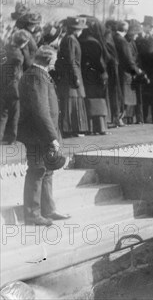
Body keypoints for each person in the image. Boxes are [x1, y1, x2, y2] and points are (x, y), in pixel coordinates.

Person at [18, 46, 70, 226]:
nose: (55, 65)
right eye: (54, 61)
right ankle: (32, 214)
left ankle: (48, 210)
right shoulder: (36, 77)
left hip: (41, 133)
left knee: (47, 170)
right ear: (48, 61)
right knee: (37, 170)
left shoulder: (38, 75)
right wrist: (51, 137)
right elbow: (40, 111)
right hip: (38, 134)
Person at [55, 16, 89, 137]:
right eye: (79, 29)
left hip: (70, 74)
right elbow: (71, 60)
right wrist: (75, 76)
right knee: (71, 100)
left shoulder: (69, 38)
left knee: (73, 100)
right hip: (71, 75)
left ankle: (72, 128)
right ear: (75, 29)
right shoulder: (70, 39)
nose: (81, 31)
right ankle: (70, 129)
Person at [79, 16, 110, 135]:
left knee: (89, 99)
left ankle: (90, 127)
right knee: (97, 99)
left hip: (86, 74)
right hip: (95, 74)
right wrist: (103, 72)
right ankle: (100, 127)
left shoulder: (82, 39)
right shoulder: (93, 42)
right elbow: (98, 61)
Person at [0, 30, 29, 144]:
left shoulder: (4, 48)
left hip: (2, 84)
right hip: (13, 86)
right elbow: (17, 72)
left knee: (2, 113)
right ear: (23, 43)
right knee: (14, 113)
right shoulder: (18, 55)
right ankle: (12, 137)